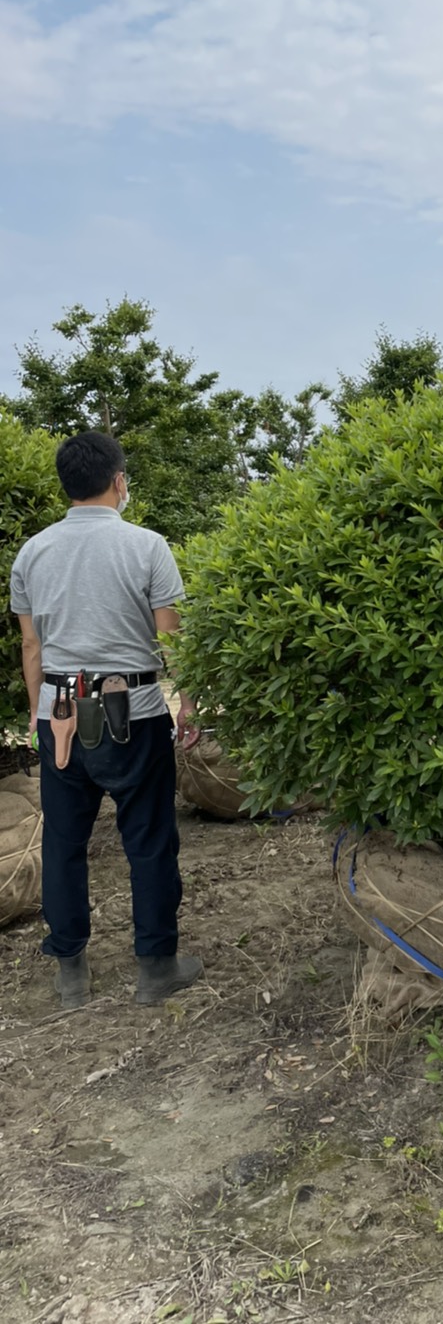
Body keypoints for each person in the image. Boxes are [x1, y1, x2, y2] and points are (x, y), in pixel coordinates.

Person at [9, 431, 204, 1009]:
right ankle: (156, 968)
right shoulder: (147, 546)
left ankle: (71, 972)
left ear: (66, 486)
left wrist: (36, 714)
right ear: (119, 481)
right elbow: (173, 640)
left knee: (64, 843)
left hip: (60, 716)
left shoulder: (32, 552)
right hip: (135, 714)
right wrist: (186, 703)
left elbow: (30, 647)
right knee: (148, 840)